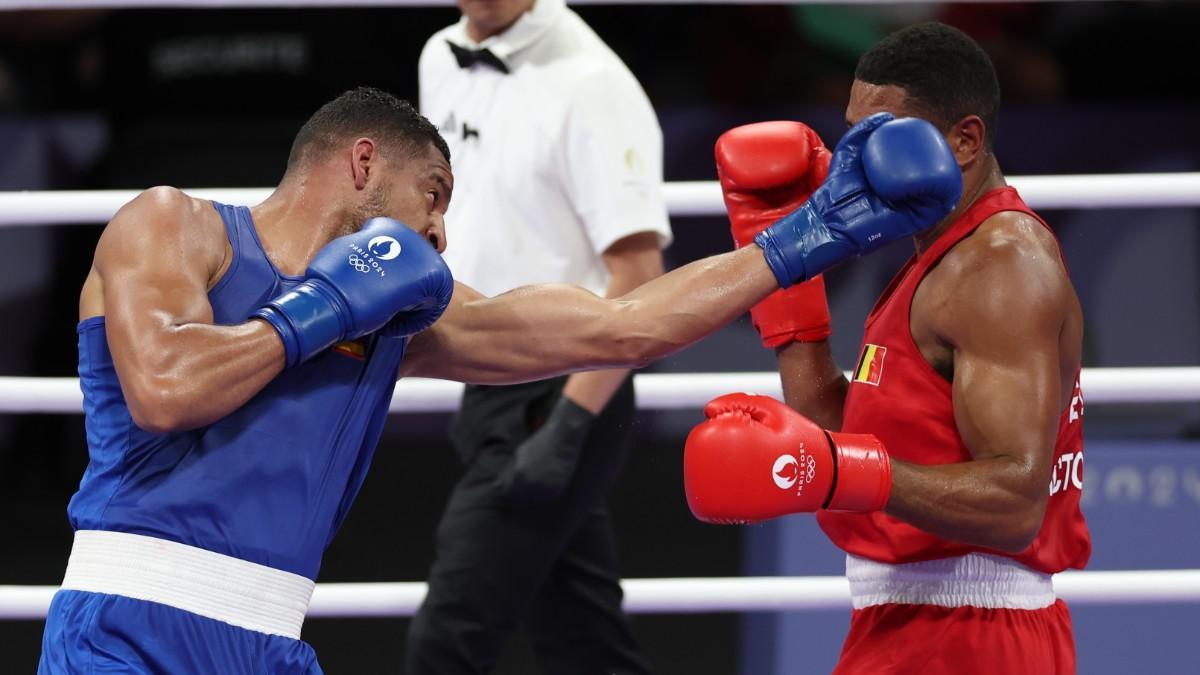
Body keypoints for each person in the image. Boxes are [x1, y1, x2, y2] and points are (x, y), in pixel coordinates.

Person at [38, 83, 959, 673]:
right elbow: (164, 385)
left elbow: (620, 324)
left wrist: (804, 241)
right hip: (130, 625)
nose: (438, 236)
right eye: (433, 197)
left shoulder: (396, 313)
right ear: (363, 161)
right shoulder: (176, 225)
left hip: (272, 640)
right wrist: (326, 307)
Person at [683, 22, 1091, 674]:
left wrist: (838, 468)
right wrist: (788, 274)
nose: (857, 158)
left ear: (965, 141)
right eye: (852, 132)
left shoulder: (999, 264)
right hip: (909, 622)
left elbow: (1017, 500)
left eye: (882, 135)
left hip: (973, 633)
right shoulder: (936, 257)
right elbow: (837, 434)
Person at [407, 0, 669, 672]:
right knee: (584, 639)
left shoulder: (594, 84)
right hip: (482, 375)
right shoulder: (439, 56)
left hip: (562, 387)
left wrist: (568, 423)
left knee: (448, 638)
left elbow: (639, 277)